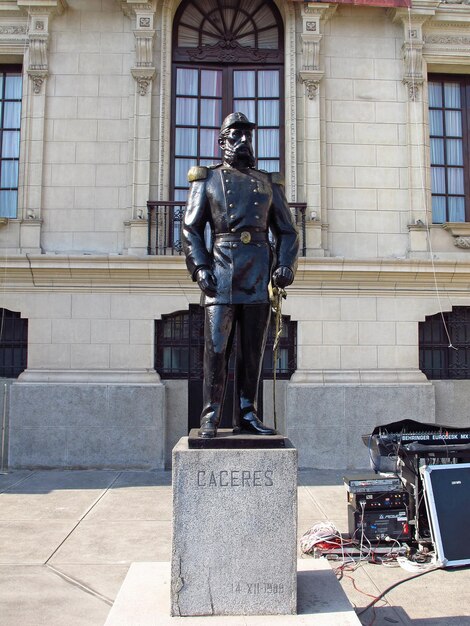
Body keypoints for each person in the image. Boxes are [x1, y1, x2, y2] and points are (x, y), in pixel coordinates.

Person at [182, 112, 299, 438]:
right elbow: (191, 228)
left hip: (258, 275)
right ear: (221, 142)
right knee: (217, 349)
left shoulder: (267, 183)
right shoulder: (206, 180)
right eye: (235, 135)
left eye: (247, 135)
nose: (243, 141)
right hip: (220, 272)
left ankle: (247, 414)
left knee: (252, 353)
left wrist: (286, 265)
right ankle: (210, 416)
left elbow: (287, 232)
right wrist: (201, 266)